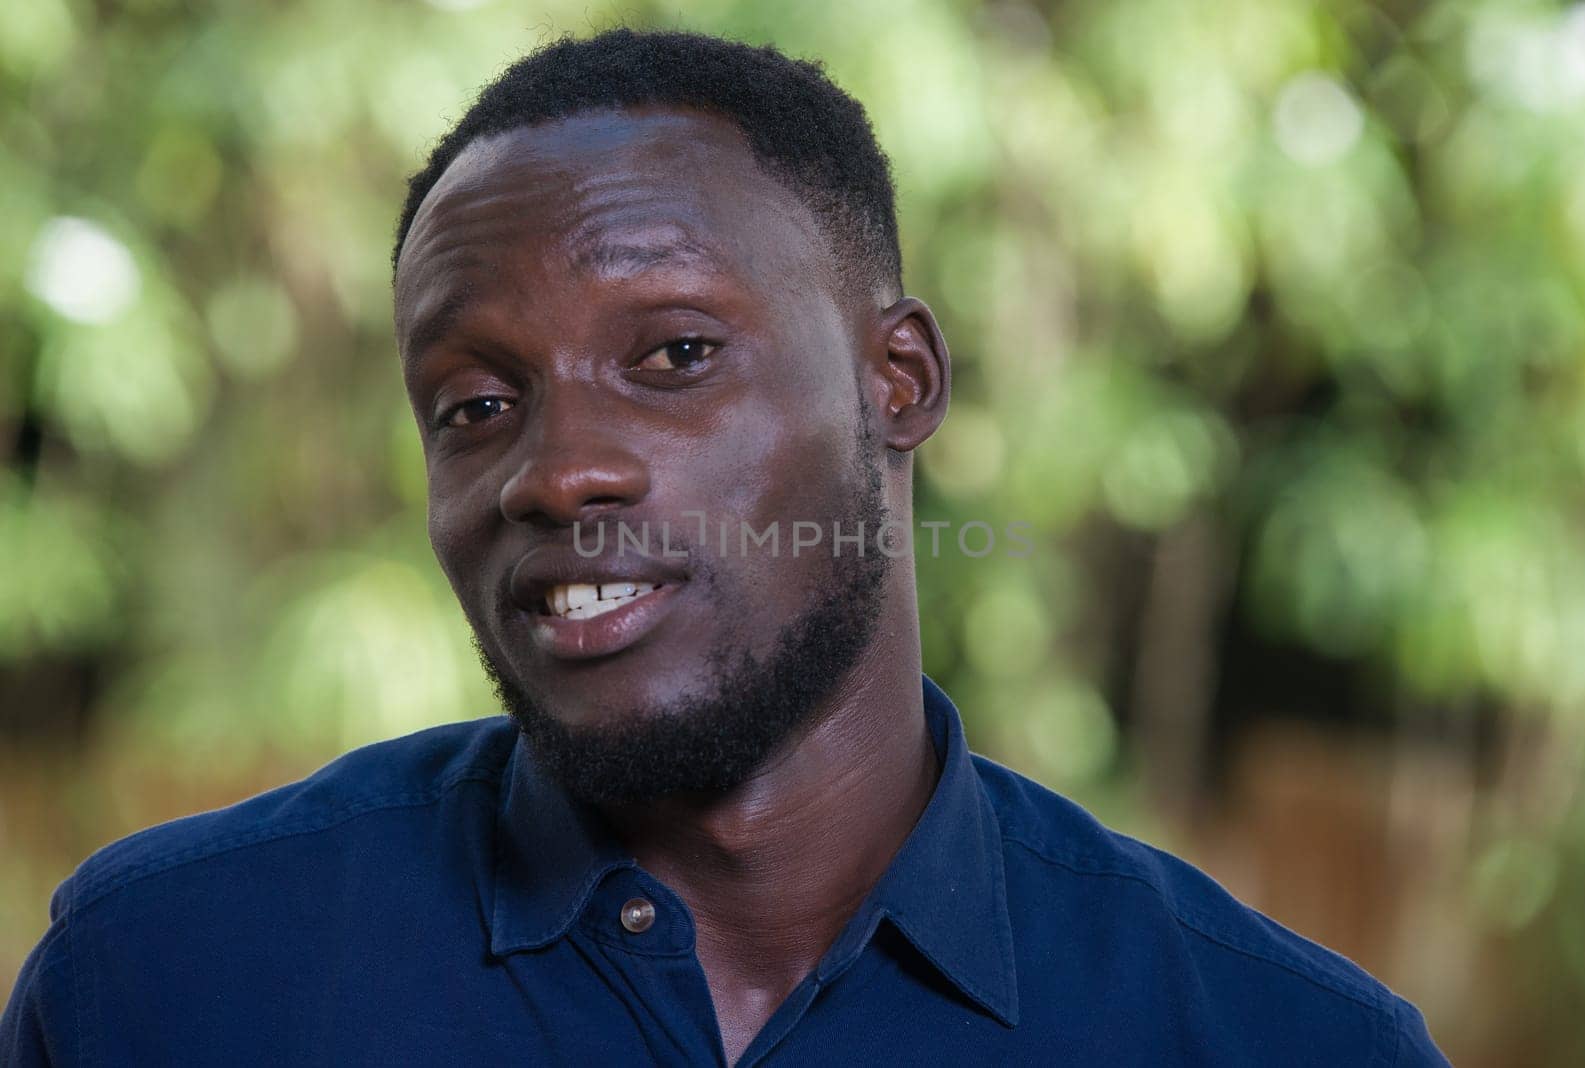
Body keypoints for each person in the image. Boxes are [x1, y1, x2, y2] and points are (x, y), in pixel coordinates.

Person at [1, 28, 1449, 1066]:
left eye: (677, 353)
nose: (558, 471)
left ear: (900, 384)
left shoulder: (1274, 1038)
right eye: (477, 403)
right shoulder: (170, 983)